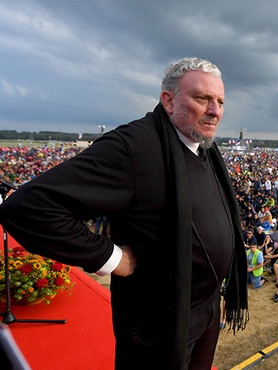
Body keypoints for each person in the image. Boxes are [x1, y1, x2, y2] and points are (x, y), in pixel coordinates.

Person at [0, 57, 249, 369]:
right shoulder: (134, 147)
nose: (215, 111)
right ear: (168, 101)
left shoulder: (205, 148)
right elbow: (28, 207)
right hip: (160, 318)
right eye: (202, 98)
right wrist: (112, 258)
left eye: (220, 101)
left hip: (206, 305)